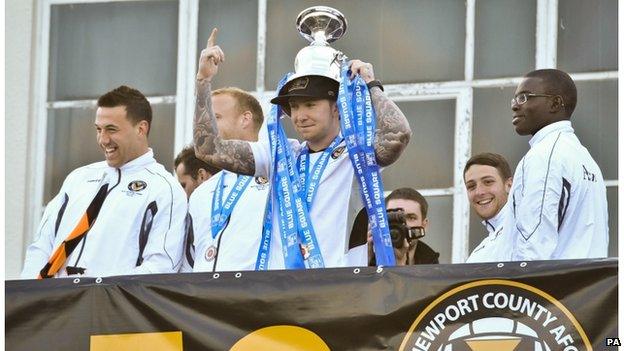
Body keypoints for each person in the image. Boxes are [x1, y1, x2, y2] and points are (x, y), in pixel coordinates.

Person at [193, 29, 411, 269]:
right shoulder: (279, 155)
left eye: (310, 104)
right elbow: (208, 148)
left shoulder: (355, 155)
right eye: (294, 107)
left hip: (338, 288)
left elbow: (397, 134)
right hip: (281, 291)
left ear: (337, 107)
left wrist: (370, 84)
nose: (300, 115)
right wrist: (203, 81)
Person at [21, 85, 188, 279]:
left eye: (111, 130)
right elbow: (42, 245)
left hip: (108, 306)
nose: (103, 139)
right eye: (98, 129)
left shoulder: (165, 189)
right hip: (55, 303)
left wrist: (102, 295)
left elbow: (161, 267)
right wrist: (31, 295)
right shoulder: (78, 178)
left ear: (141, 129)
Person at [506, 69, 608, 260]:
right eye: (514, 99)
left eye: (524, 97)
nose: (515, 106)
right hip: (590, 285)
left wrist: (517, 287)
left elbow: (532, 246)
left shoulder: (545, 156)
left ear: (555, 103)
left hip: (553, 288)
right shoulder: (585, 159)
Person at [190, 87, 270, 272]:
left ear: (245, 119)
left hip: (255, 293)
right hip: (204, 296)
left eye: (216, 118)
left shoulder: (277, 179)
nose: (208, 127)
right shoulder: (202, 191)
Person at [367, 188, 439, 266]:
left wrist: (400, 264)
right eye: (392, 217)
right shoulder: (367, 253)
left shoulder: (430, 262)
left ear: (424, 225)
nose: (402, 224)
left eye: (411, 218)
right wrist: (364, 256)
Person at [463, 153, 513, 263]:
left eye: (488, 182)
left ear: (509, 185)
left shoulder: (525, 230)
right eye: (471, 186)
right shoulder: (476, 257)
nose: (479, 192)